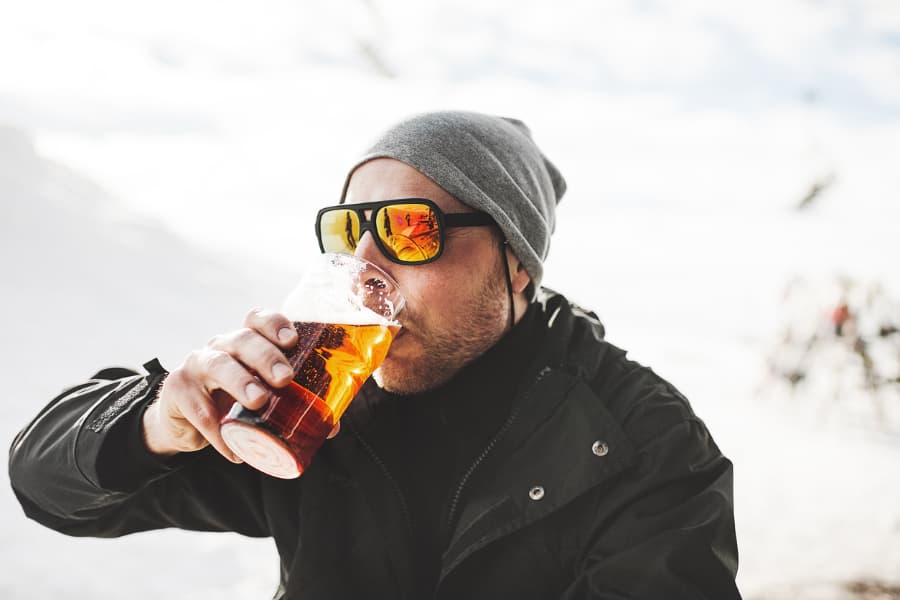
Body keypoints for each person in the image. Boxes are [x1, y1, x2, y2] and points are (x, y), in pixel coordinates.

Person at [9, 111, 741, 599]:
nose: (366, 267)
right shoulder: (315, 399)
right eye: (346, 233)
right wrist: (159, 419)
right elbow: (47, 490)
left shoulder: (637, 442)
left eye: (409, 231)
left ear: (515, 264)